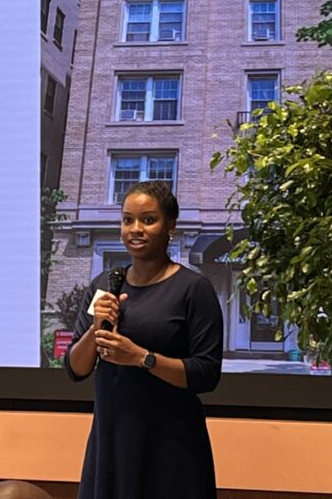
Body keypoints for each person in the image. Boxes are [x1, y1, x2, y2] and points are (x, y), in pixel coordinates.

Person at [63, 180, 223, 498]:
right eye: (127, 220)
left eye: (148, 220)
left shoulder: (193, 289)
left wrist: (140, 357)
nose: (135, 229)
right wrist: (97, 330)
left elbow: (206, 374)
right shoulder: (105, 285)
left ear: (170, 226)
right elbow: (75, 369)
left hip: (171, 446)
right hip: (110, 442)